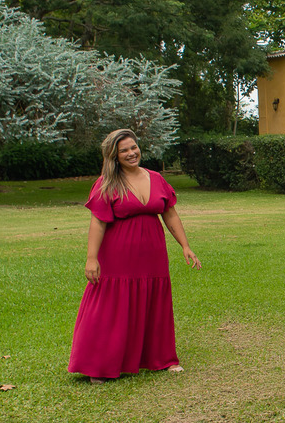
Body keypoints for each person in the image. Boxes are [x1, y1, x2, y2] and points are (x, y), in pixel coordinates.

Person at [68, 130, 201, 384]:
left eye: (134, 147)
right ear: (114, 157)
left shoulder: (156, 178)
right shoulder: (106, 183)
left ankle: (161, 359)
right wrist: (91, 258)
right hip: (118, 256)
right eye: (124, 151)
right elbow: (97, 223)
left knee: (155, 303)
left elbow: (170, 214)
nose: (132, 153)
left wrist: (185, 245)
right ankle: (99, 365)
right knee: (110, 308)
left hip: (152, 255)